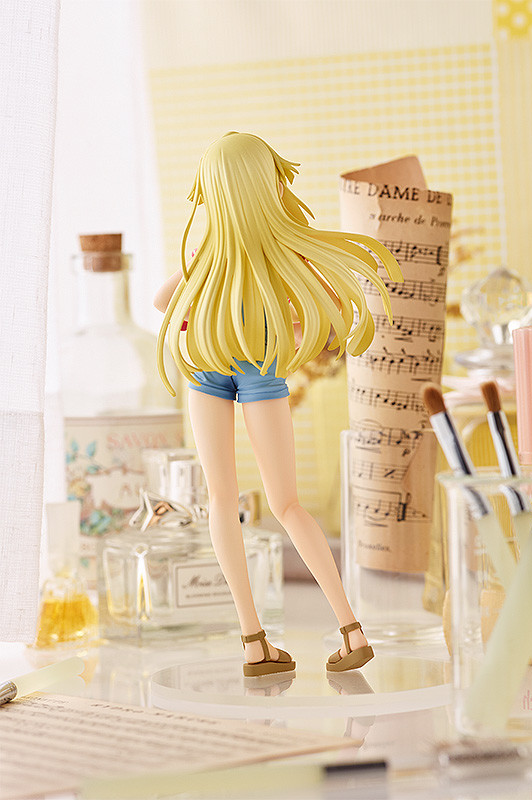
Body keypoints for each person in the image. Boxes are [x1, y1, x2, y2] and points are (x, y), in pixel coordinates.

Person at [154, 131, 403, 677]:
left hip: (206, 366)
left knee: (222, 499)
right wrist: (281, 323)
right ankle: (351, 629)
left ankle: (254, 642)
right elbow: (325, 308)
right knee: (287, 503)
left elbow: (162, 300)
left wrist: (212, 298)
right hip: (259, 369)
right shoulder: (286, 253)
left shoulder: (202, 255)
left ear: (211, 189)